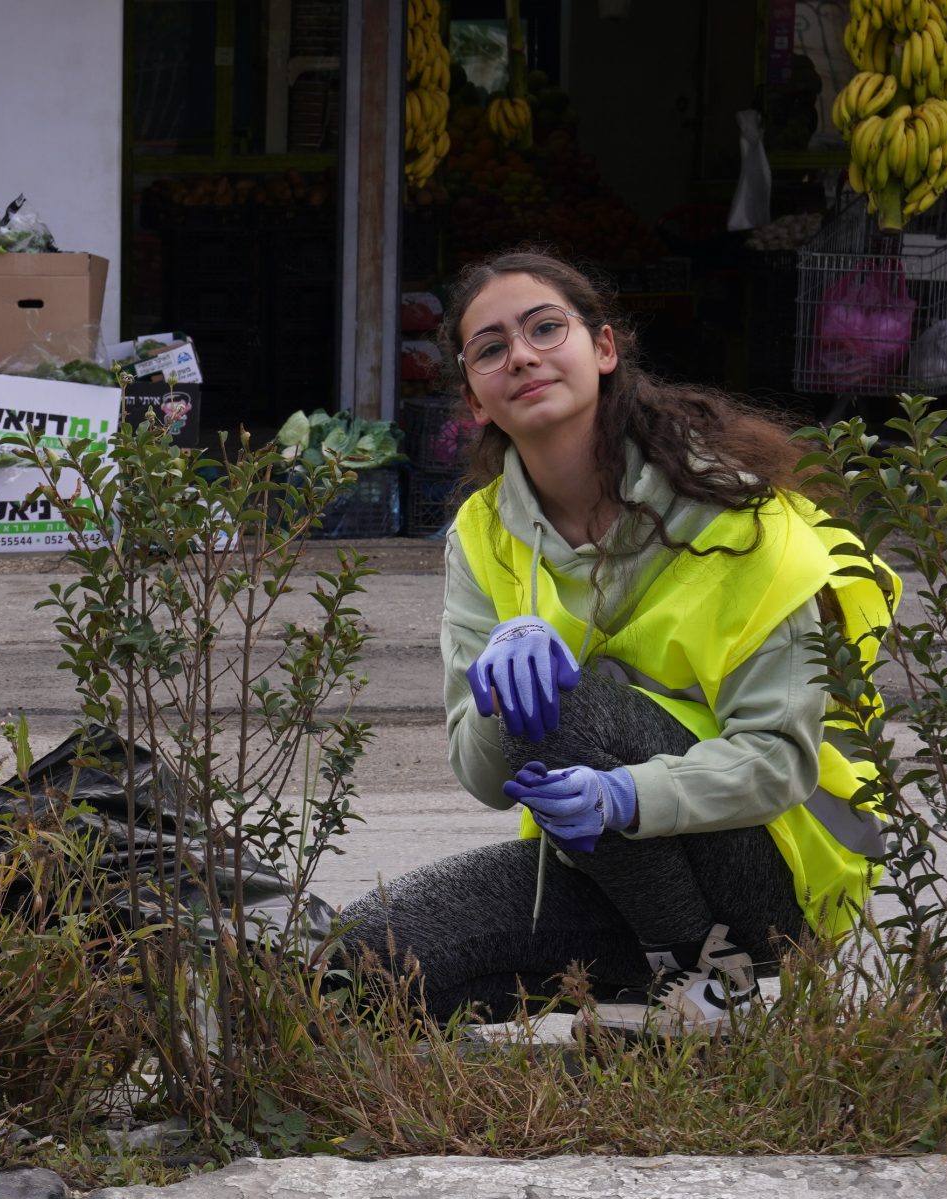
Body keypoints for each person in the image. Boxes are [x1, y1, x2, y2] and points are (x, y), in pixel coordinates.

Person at [337, 250, 894, 1031]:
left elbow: (781, 762)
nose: (521, 355)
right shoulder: (481, 535)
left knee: (566, 706)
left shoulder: (740, 519)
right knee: (357, 966)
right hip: (610, 865)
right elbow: (483, 775)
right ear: (474, 397)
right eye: (491, 348)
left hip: (771, 870)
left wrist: (625, 795)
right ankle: (650, 979)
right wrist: (499, 696)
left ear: (603, 349)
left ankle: (712, 980)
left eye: (544, 328)